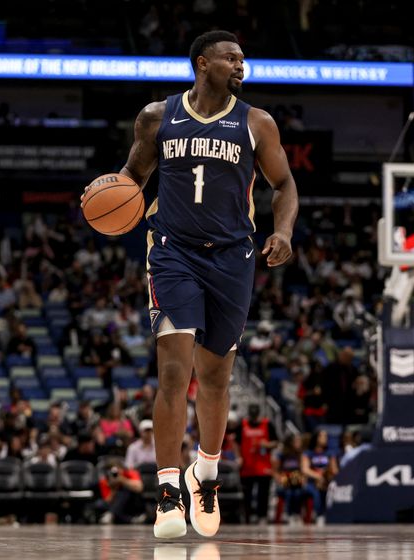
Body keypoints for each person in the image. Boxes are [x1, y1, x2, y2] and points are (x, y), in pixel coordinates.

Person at [84, 29, 297, 539]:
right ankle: (166, 493)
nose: (241, 65)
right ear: (204, 64)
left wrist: (284, 231)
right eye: (231, 58)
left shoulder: (257, 123)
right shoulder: (157, 117)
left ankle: (206, 473)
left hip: (233, 256)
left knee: (217, 378)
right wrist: (107, 195)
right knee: (175, 371)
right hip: (172, 253)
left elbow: (285, 183)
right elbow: (132, 178)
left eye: (243, 58)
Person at [235, 404, 278, 524]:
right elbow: (236, 443)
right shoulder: (242, 425)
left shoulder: (267, 424)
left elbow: (276, 442)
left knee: (263, 493)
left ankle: (262, 516)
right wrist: (238, 457)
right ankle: (247, 516)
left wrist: (267, 445)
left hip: (264, 465)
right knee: (246, 494)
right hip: (247, 465)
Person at [97, 457, 145, 525]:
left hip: (132, 503)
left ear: (122, 468)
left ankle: (111, 514)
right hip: (115, 504)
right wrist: (114, 488)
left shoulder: (130, 473)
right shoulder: (105, 480)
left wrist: (123, 480)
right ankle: (130, 520)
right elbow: (107, 500)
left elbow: (139, 488)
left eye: (118, 469)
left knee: (125, 491)